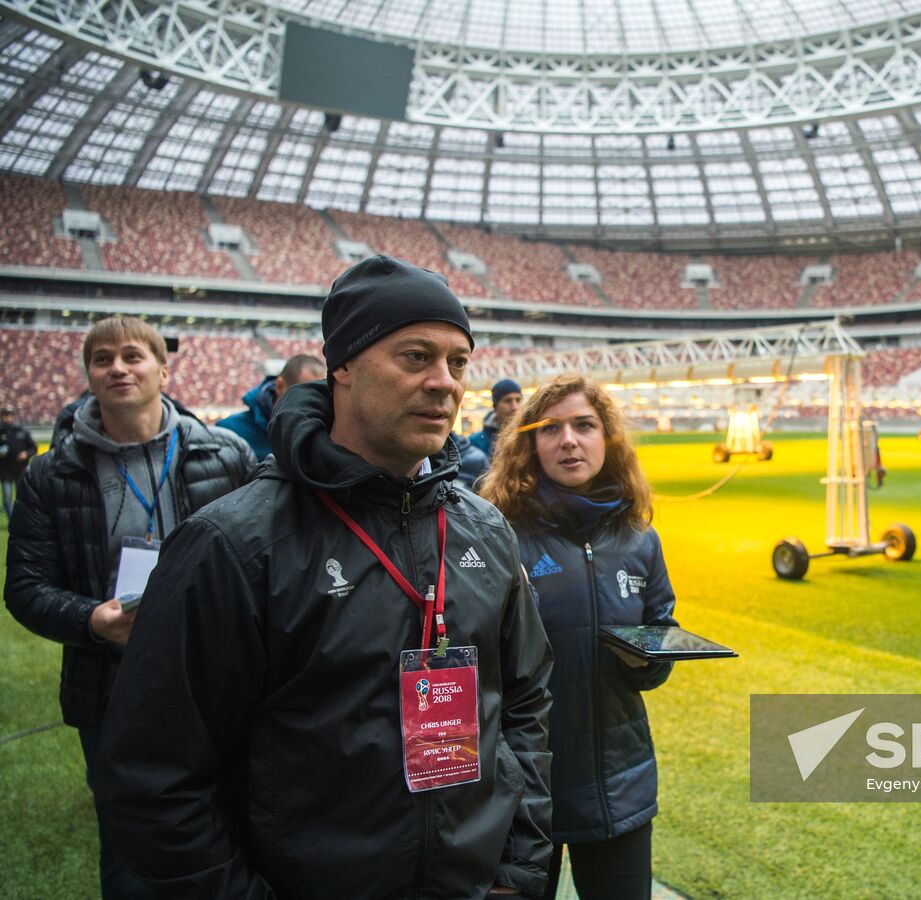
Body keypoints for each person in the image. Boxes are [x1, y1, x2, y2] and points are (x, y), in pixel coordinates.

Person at [94, 255, 554, 898]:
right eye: (416, 356)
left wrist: (517, 875)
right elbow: (154, 777)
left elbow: (526, 704)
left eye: (458, 362)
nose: (444, 382)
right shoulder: (234, 544)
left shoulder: (485, 529)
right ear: (342, 364)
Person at [4, 316, 256, 898]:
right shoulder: (50, 474)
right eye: (102, 359)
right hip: (110, 685)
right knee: (130, 844)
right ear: (88, 377)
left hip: (218, 675)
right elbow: (25, 588)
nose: (118, 367)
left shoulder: (228, 455)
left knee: (234, 818)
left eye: (132, 356)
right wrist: (93, 622)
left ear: (163, 370)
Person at [479, 373, 677, 900]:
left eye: (584, 425)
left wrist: (651, 658)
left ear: (607, 438)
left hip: (619, 784)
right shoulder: (498, 533)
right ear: (530, 444)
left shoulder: (639, 536)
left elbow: (661, 626)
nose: (569, 440)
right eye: (552, 428)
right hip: (522, 795)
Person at [216, 353, 327, 459]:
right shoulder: (230, 432)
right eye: (304, 397)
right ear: (279, 386)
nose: (314, 405)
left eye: (321, 396)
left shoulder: (324, 433)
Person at [469, 378, 523, 461]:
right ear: (495, 405)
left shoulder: (529, 436)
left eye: (518, 400)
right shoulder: (475, 442)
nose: (515, 407)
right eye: (508, 401)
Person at [0, 405, 38, 519]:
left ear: (13, 416)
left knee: (22, 497)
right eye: (6, 415)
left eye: (10, 415)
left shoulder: (22, 431)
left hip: (20, 469)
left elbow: (33, 448)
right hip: (5, 470)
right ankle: (12, 520)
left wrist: (26, 454)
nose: (8, 418)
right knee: (7, 498)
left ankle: (22, 519)